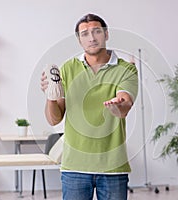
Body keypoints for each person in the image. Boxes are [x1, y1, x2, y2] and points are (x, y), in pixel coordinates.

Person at [41, 13, 138, 200]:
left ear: (106, 34)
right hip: (74, 168)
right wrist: (50, 96)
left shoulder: (126, 68)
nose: (91, 38)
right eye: (85, 34)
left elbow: (124, 104)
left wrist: (117, 106)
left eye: (96, 32)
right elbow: (54, 118)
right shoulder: (67, 69)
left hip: (112, 167)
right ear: (79, 40)